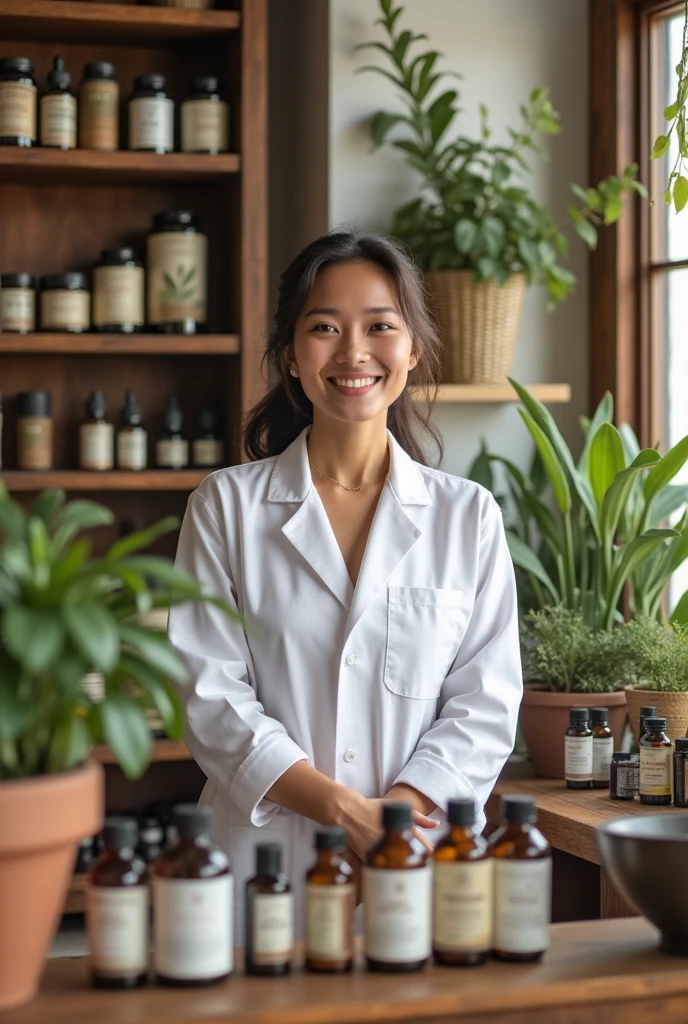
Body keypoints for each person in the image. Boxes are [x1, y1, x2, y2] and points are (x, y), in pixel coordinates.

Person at [168, 229, 522, 936]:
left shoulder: (466, 516)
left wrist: (393, 821)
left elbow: (485, 704)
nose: (353, 352)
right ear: (291, 357)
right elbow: (208, 694)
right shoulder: (226, 507)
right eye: (324, 327)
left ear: (413, 349)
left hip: (417, 867)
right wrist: (345, 813)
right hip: (260, 868)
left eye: (380, 327)